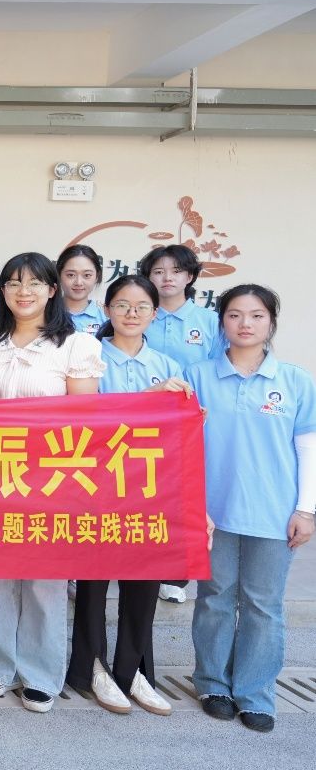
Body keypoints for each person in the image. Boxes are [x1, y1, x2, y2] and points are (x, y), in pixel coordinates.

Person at [0, 251, 104, 713]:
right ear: (2, 290)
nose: (23, 292)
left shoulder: (76, 346)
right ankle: (0, 665)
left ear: (51, 290)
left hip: (51, 479)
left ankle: (42, 675)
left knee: (45, 581)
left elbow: (84, 422)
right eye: (13, 283)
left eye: (34, 283)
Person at [186, 284, 315, 733]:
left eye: (257, 315)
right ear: (221, 322)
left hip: (274, 511)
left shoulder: (294, 380)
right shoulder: (198, 376)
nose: (245, 324)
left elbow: (308, 448)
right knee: (215, 599)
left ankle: (256, 693)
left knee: (264, 604)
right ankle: (213, 685)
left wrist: (307, 509)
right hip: (212, 510)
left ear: (271, 322)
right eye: (235, 315)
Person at [65, 275, 190, 717]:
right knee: (93, 584)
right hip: (98, 487)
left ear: (155, 313)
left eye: (141, 307)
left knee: (144, 584)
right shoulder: (89, 356)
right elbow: (86, 418)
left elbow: (181, 435)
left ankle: (135, 670)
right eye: (121, 305)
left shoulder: (169, 364)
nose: (131, 314)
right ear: (106, 310)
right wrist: (147, 399)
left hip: (151, 489)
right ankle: (93, 668)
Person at [138, 243, 222, 604]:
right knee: (146, 489)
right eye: (158, 271)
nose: (167, 278)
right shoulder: (142, 313)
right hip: (144, 420)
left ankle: (175, 575)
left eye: (175, 271)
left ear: (190, 276)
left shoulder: (209, 321)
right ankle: (140, 563)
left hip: (190, 422)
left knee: (184, 492)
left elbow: (219, 369)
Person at [57, 244, 107, 336]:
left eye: (87, 275)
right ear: (59, 275)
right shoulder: (44, 315)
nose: (79, 282)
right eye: (71, 275)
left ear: (96, 277)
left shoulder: (106, 319)